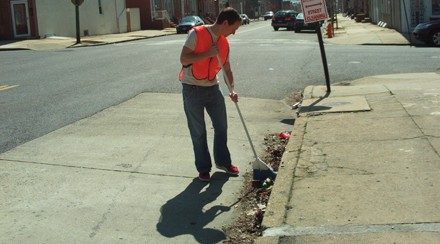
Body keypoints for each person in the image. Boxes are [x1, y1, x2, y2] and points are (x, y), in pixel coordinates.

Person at [179, 7, 242, 182]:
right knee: (198, 132)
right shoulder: (196, 34)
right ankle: (203, 168)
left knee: (221, 127)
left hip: (213, 89)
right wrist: (207, 53)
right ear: (225, 23)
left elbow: (227, 69)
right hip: (192, 89)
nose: (234, 33)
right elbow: (184, 59)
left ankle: (223, 162)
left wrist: (232, 89)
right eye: (233, 29)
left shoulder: (224, 43)